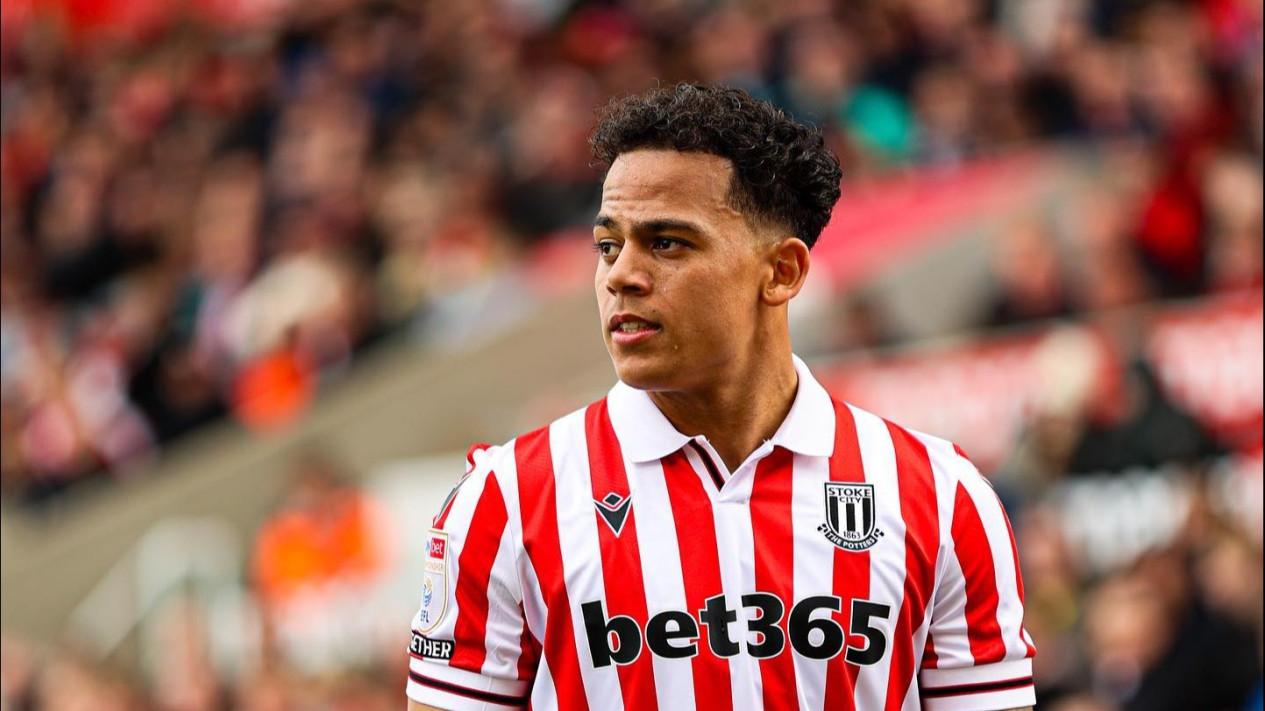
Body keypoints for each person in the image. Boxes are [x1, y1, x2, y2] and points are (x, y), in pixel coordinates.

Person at [405, 84, 1035, 711]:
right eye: (608, 245)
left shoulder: (942, 497)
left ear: (782, 272)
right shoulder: (504, 502)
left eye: (667, 242)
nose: (621, 275)